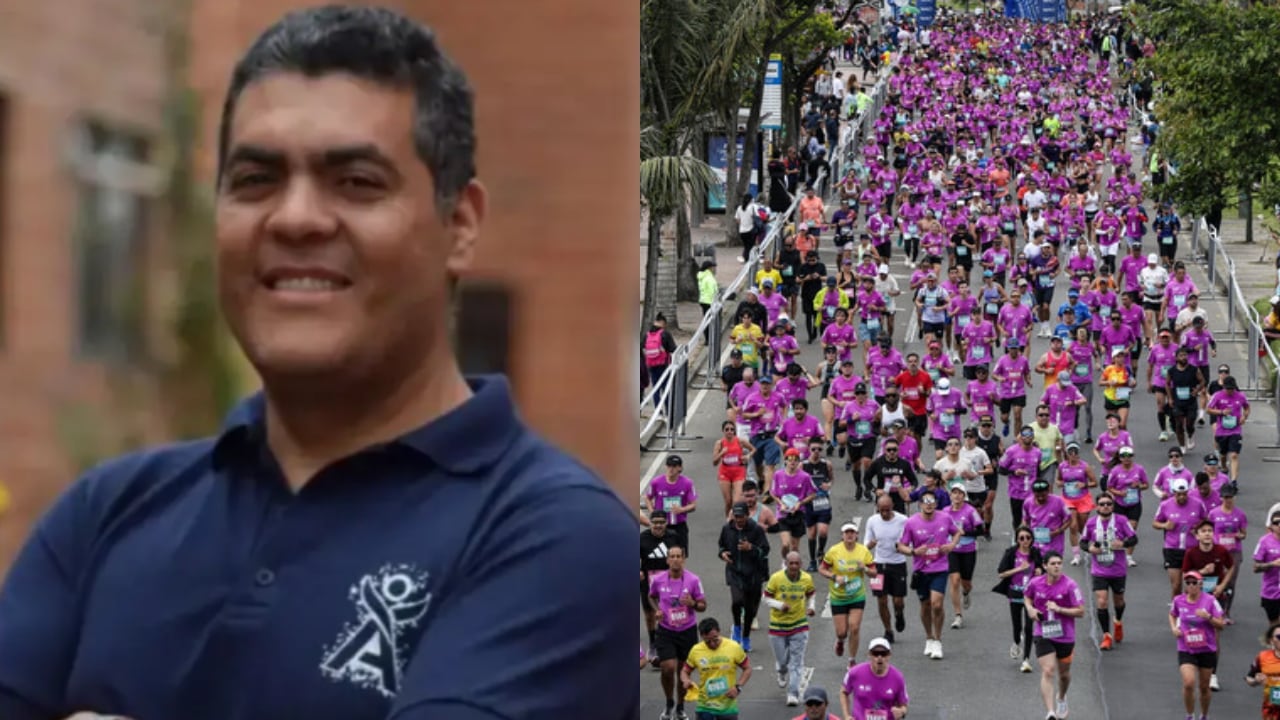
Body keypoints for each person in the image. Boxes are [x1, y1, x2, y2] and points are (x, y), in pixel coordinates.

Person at [0, 7, 640, 720]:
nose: (296, 217)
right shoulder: (106, 516)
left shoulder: (557, 542)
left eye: (357, 181)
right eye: (255, 179)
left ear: (459, 225)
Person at [896, 493, 961, 660]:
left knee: (937, 604)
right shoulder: (911, 522)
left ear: (936, 503)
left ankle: (938, 640)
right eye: (925, 502)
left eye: (932, 502)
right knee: (925, 605)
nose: (929, 505)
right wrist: (913, 552)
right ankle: (929, 637)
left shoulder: (945, 518)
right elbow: (901, 545)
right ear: (920, 504)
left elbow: (957, 532)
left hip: (940, 567)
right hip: (921, 569)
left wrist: (952, 545)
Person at [1024, 552, 1086, 720]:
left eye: (1059, 563)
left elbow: (1081, 611)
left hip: (1065, 636)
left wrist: (1060, 609)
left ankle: (1061, 697)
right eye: (1053, 563)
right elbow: (1027, 597)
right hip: (1043, 632)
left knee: (1064, 675)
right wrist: (1030, 609)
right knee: (1048, 670)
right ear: (1045, 566)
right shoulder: (1035, 583)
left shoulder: (1070, 586)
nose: (1057, 566)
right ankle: (1050, 712)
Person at [651, 545, 708, 720]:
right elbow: (651, 596)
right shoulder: (658, 579)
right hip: (666, 630)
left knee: (683, 671)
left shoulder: (693, 580)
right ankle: (669, 703)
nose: (675, 559)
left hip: (687, 630)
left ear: (683, 559)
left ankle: (680, 707)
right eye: (672, 556)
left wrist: (692, 603)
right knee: (667, 668)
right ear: (667, 560)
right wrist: (657, 610)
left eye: (678, 556)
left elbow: (703, 606)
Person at [1182, 519, 1236, 691]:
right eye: (1203, 531)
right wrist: (1202, 573)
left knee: (1214, 634)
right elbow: (1186, 576)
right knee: (1196, 632)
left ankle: (1213, 674)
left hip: (1215, 596)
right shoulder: (1191, 553)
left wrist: (1222, 585)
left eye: (1209, 531)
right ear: (1197, 535)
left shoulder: (1221, 550)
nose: (1207, 534)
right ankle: (1195, 664)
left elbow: (1231, 567)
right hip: (1196, 596)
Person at [1081, 493, 1137, 652]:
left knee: (1118, 601)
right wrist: (1090, 548)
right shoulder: (1091, 523)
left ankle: (1118, 621)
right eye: (1102, 504)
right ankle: (1106, 635)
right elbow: (1083, 542)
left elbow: (1134, 539)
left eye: (1108, 504)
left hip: (1118, 569)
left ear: (1112, 506)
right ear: (1097, 506)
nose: (1105, 506)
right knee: (1102, 601)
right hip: (1099, 569)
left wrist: (1123, 543)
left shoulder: (1122, 521)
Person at [1171, 571, 1227, 720]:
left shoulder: (1210, 601)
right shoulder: (1179, 600)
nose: (1191, 586)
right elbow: (1172, 614)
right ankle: (1189, 715)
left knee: (1204, 687)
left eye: (1194, 582)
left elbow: (1221, 625)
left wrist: (1208, 617)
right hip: (1186, 648)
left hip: (1206, 648)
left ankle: (1204, 715)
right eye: (1188, 583)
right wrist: (1174, 628)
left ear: (1201, 584)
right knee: (1189, 683)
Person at [764, 551, 817, 706]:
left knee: (796, 661)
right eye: (791, 563)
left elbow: (811, 594)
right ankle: (781, 671)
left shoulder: (806, 578)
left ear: (800, 564)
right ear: (786, 564)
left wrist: (811, 607)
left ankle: (793, 693)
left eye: (796, 563)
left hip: (799, 624)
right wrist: (780, 605)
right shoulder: (776, 578)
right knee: (782, 661)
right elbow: (766, 598)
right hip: (777, 626)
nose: (794, 566)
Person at [819, 522, 877, 663]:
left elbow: (874, 573)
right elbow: (822, 569)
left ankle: (852, 660)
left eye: (852, 532)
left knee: (855, 627)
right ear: (842, 535)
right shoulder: (834, 551)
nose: (850, 535)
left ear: (857, 535)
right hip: (838, 596)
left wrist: (865, 569)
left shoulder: (863, 551)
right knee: (842, 632)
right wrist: (834, 577)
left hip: (857, 595)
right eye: (847, 533)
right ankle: (840, 640)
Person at [718, 502, 771, 652]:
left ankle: (746, 636)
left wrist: (751, 548)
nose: (739, 519)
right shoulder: (727, 529)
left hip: (753, 574)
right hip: (734, 571)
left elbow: (765, 551)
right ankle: (736, 627)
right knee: (737, 601)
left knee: (750, 609)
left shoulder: (756, 530)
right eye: (736, 516)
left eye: (741, 516)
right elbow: (721, 546)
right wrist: (723, 554)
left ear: (747, 515)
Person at [680, 617, 753, 720]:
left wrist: (738, 687)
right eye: (707, 641)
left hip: (728, 706)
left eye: (715, 639)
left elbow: (747, 669)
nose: (712, 644)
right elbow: (685, 671)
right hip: (704, 705)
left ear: (719, 631)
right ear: (702, 637)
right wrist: (686, 680)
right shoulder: (696, 650)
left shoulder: (733, 647)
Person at [995, 527, 1044, 673]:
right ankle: (1016, 641)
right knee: (1017, 627)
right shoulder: (1011, 553)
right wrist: (1019, 569)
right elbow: (1001, 574)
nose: (1025, 541)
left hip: (1031, 596)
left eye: (1028, 538)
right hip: (1015, 593)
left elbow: (1043, 569)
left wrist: (1040, 571)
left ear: (1032, 539)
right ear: (1017, 539)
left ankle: (1026, 659)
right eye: (1021, 538)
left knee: (1029, 627)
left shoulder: (1036, 553)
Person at [865, 495, 911, 643]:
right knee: (881, 600)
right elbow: (865, 543)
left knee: (898, 601)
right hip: (878, 564)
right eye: (881, 510)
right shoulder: (872, 521)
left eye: (887, 510)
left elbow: (910, 540)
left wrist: (904, 547)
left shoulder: (903, 520)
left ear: (892, 507)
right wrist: (870, 545)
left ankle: (899, 614)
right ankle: (888, 630)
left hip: (898, 564)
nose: (884, 513)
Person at [839, 638, 910, 720]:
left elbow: (903, 704)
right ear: (869, 655)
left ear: (889, 655)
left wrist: (902, 712)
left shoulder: (898, 678)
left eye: (883, 654)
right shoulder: (855, 673)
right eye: (876, 653)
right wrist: (846, 716)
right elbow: (843, 692)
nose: (879, 657)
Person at [1244, 620, 1280, 720]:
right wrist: (1256, 681)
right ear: (1271, 640)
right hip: (1271, 710)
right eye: (1279, 637)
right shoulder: (1263, 657)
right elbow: (1249, 678)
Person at [1255, 507, 1280, 623]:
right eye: (1276, 522)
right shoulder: (1264, 541)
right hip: (1271, 592)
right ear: (1271, 526)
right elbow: (1255, 567)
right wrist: (1272, 564)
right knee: (1275, 627)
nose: (1279, 525)